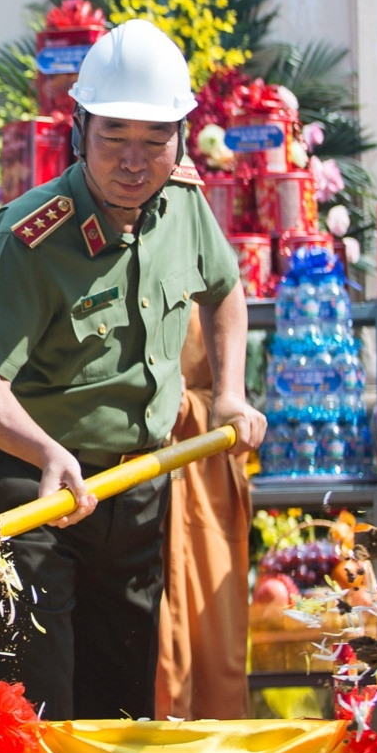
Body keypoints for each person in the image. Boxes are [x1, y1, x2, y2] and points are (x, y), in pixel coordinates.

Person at [0, 19, 266, 721]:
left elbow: (225, 292)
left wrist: (227, 393)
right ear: (78, 130)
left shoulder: (184, 205)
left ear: (181, 140)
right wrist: (45, 452)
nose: (134, 162)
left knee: (121, 704)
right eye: (113, 140)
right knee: (37, 704)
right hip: (31, 489)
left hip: (136, 487)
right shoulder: (28, 235)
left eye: (154, 142)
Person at [153, 308, 252, 720]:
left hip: (202, 486)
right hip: (123, 483)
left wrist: (186, 407)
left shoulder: (207, 289)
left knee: (214, 659)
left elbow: (231, 402)